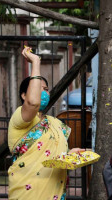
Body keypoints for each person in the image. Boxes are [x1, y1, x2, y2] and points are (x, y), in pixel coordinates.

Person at [8, 47, 84, 200]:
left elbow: (52, 160)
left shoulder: (54, 123)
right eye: (38, 89)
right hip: (26, 194)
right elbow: (33, 103)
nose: (43, 93)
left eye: (46, 89)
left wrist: (69, 155)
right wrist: (35, 62)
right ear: (24, 95)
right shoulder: (19, 118)